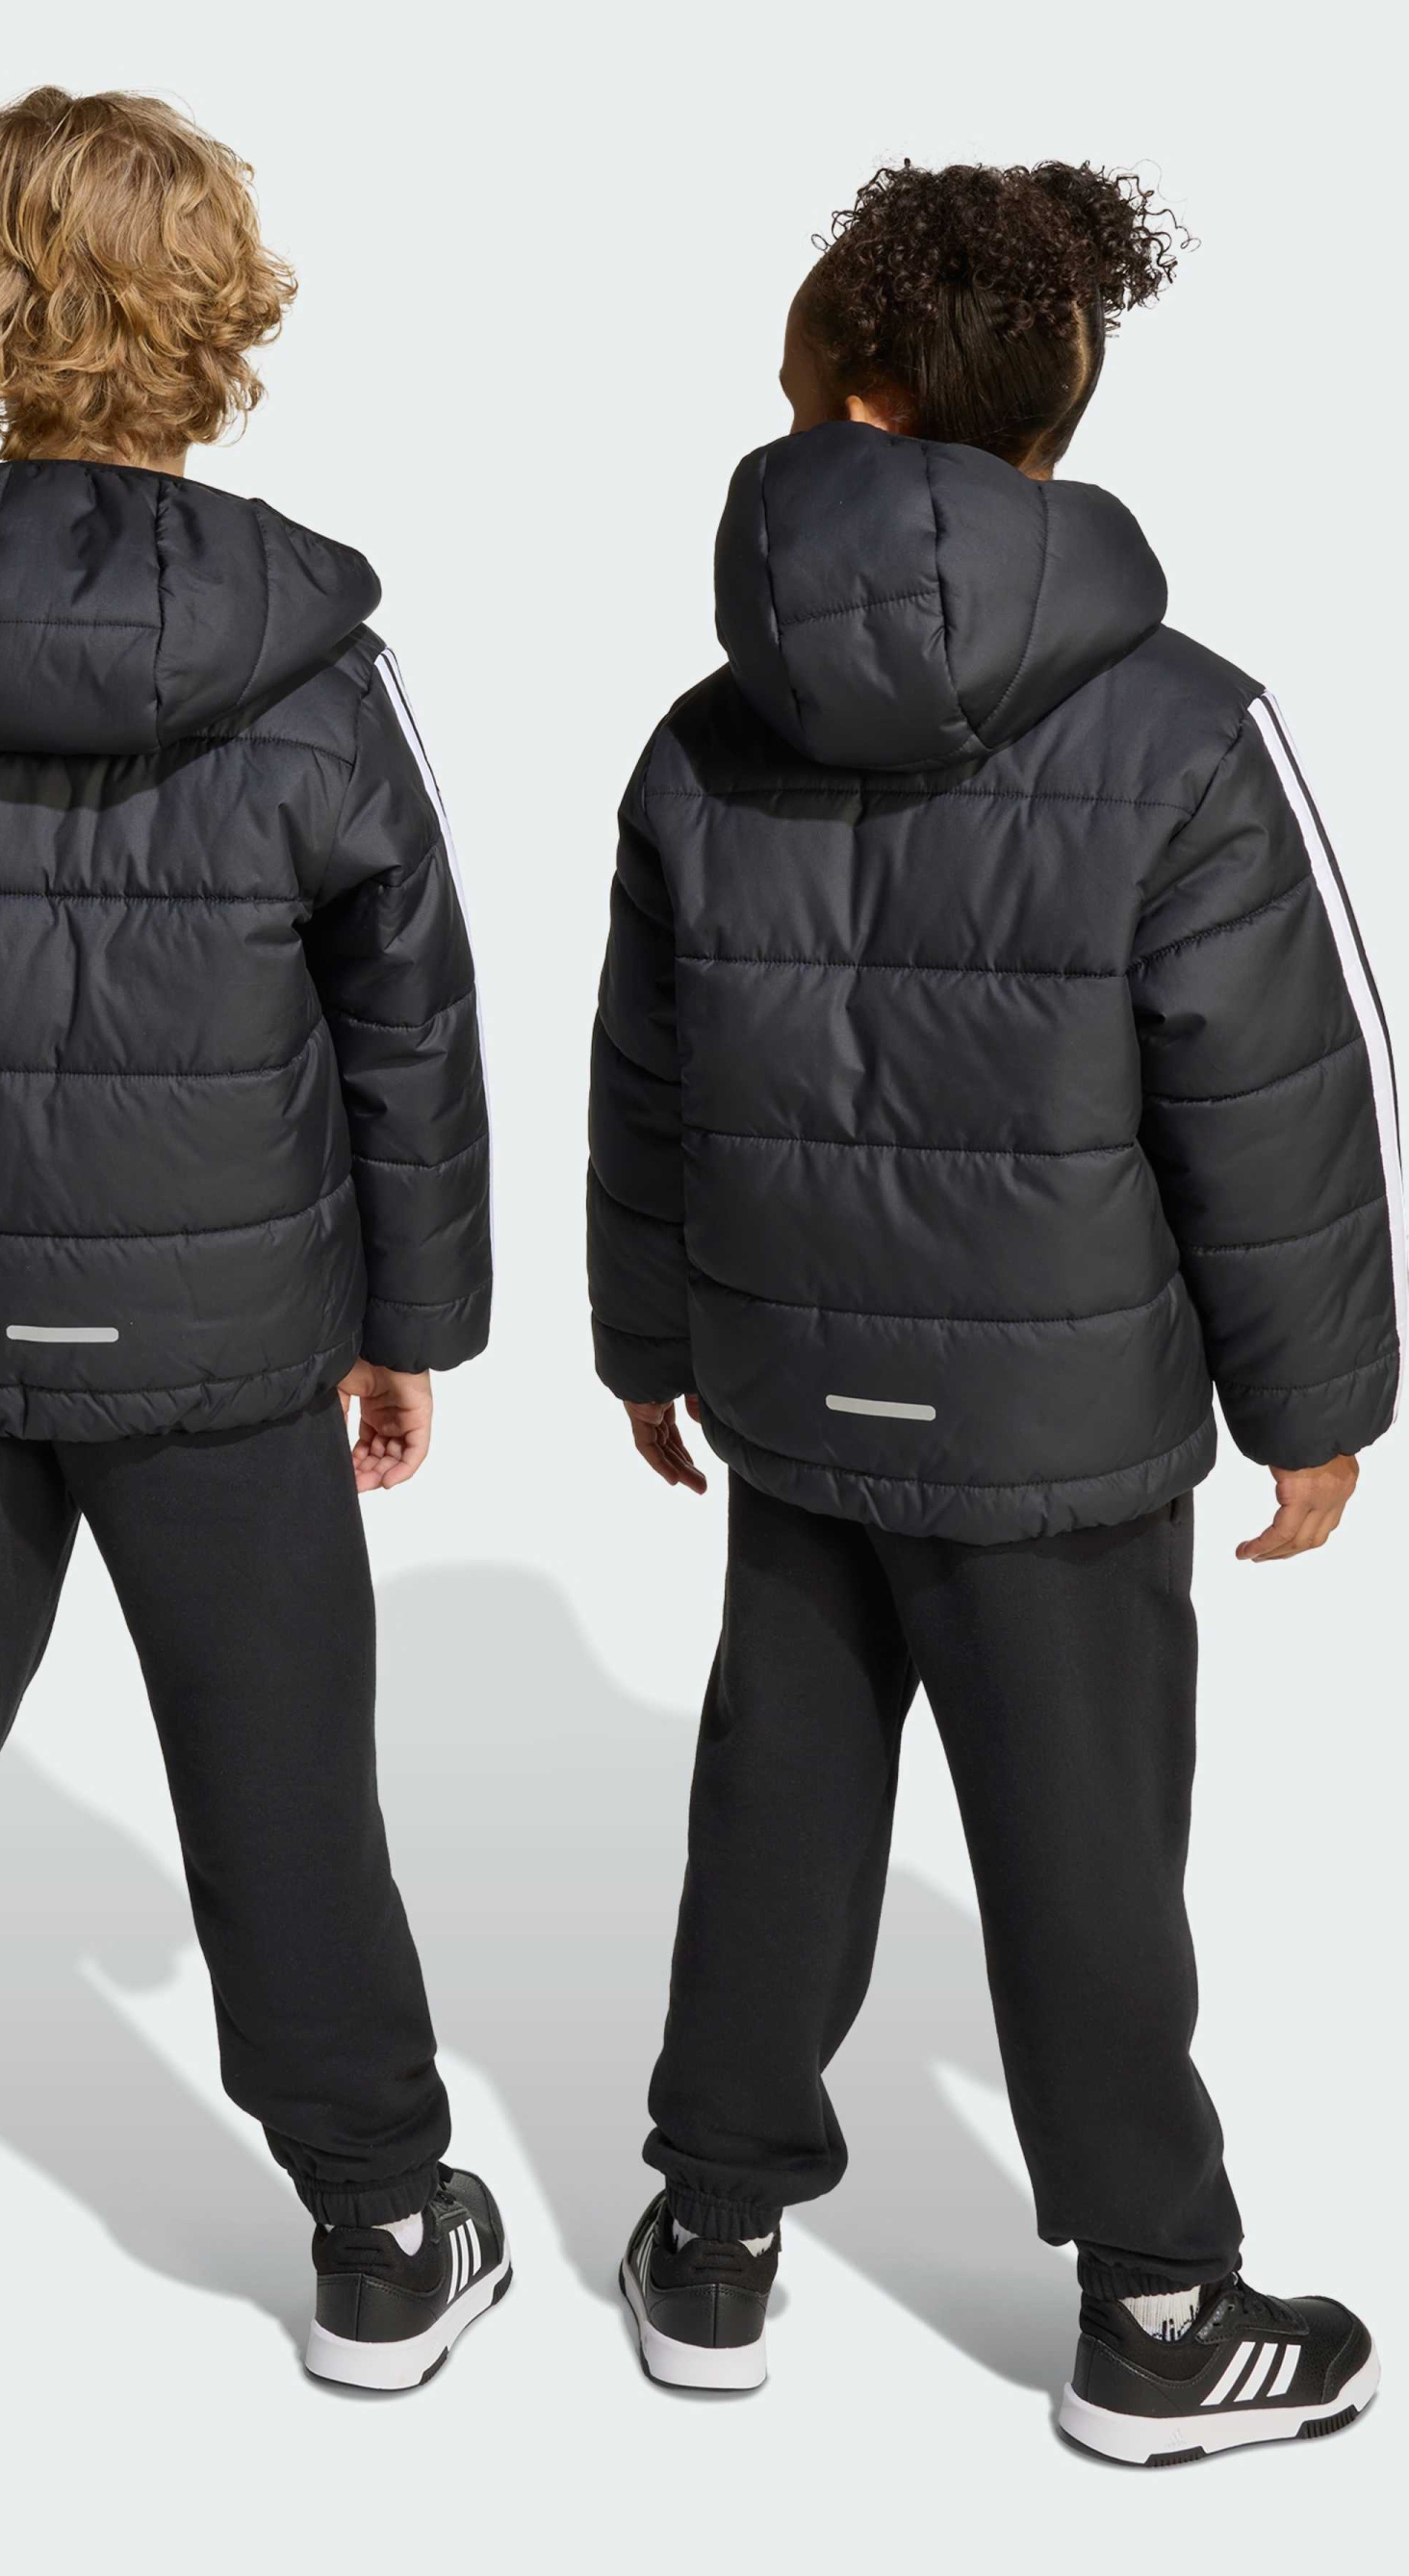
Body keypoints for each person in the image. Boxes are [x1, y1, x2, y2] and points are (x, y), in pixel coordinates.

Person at [590, 161, 1396, 2458]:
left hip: (788, 1390)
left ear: (849, 404)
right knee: (1079, 1845)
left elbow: (643, 1071)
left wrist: (646, 1343)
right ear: (1050, 410)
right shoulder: (1185, 728)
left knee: (777, 1802)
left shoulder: (704, 730)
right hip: (1055, 1437)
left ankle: (711, 2243)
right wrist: (1315, 1398)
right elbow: (1274, 1085)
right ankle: (1154, 2310)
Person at [0, 87, 509, 2387]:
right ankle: (379, 2230)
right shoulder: (316, 661)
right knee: (283, 1773)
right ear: (218, 314)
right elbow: (409, 1010)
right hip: (232, 1335)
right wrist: (408, 1323)